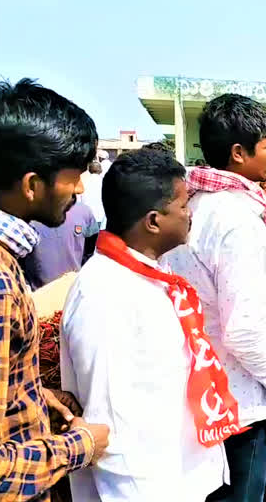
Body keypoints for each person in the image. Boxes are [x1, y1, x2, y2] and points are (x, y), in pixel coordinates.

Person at [164, 93, 266, 502]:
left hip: (215, 390)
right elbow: (246, 331)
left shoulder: (195, 204)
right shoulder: (236, 221)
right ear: (238, 153)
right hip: (239, 400)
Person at [60, 149, 230, 501]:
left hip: (181, 472)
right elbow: (107, 420)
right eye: (184, 206)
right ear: (153, 221)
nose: (190, 215)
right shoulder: (105, 293)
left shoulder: (152, 274)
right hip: (144, 487)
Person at [0, 78, 109, 501]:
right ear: (31, 185)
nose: (80, 189)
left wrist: (30, 395)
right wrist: (81, 447)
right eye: (73, 176)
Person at [21, 200, 98, 289]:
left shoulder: (84, 212)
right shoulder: (25, 214)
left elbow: (90, 251)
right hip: (38, 295)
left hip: (73, 291)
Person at [79, 160, 105, 228]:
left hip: (86, 216)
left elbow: (79, 200)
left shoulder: (83, 181)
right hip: (100, 215)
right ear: (100, 170)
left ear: (89, 170)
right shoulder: (105, 182)